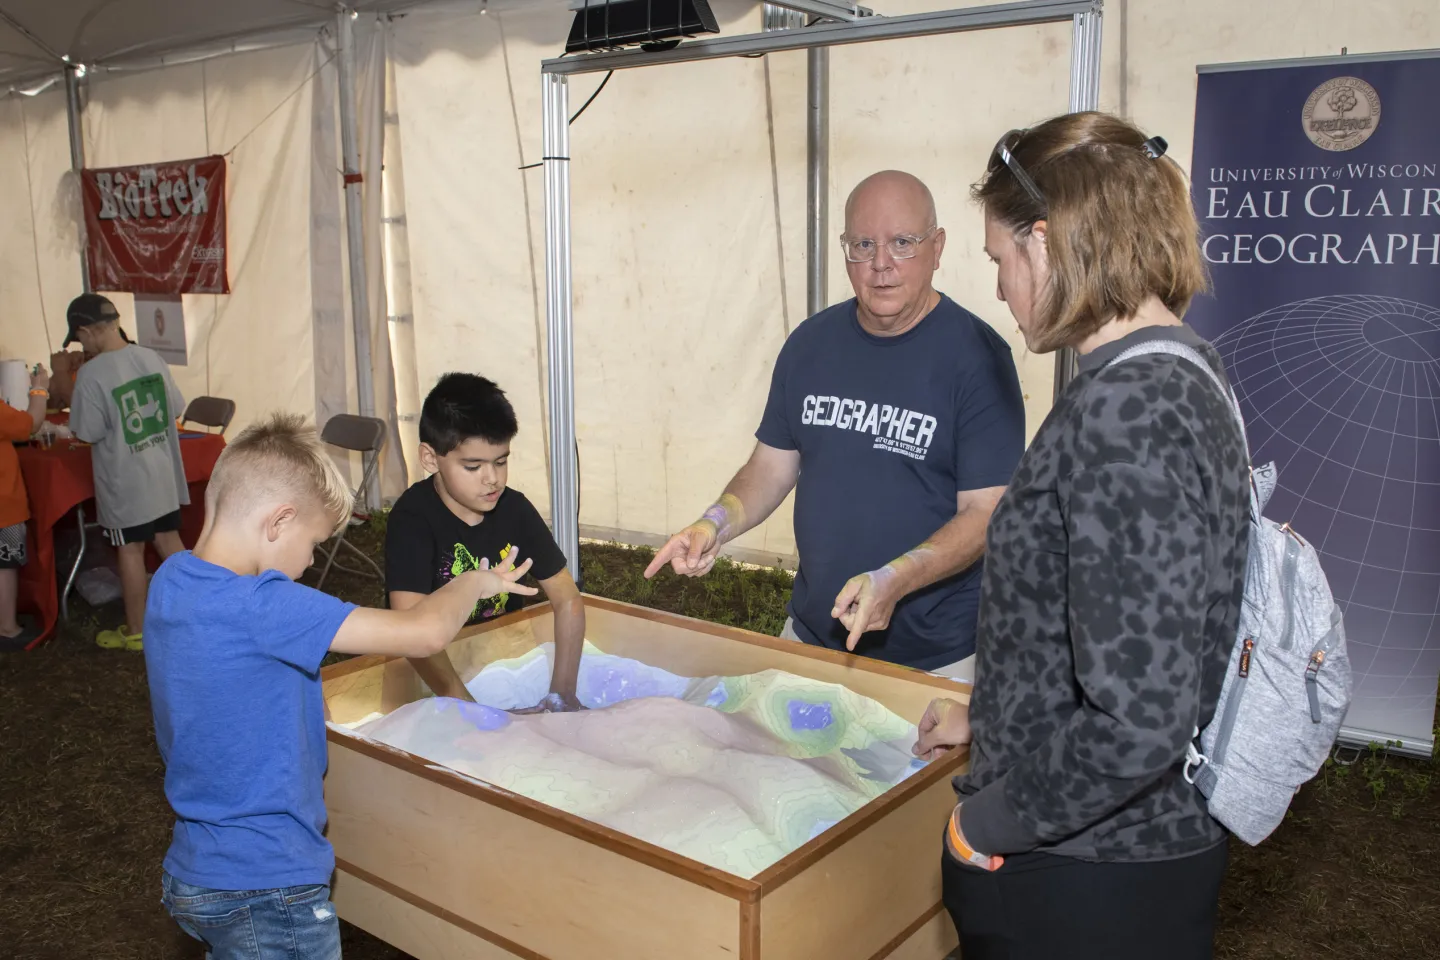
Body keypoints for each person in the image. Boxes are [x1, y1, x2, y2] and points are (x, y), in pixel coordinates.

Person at [912, 112, 1250, 960]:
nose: (999, 288)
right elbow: (1125, 630)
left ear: (1047, 242)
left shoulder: (1128, 413)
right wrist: (994, 718)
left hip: (1087, 873)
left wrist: (984, 824)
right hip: (1120, 858)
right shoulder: (1178, 370)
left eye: (999, 259)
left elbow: (1138, 719)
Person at [145, 412, 538, 960]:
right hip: (268, 884)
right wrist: (475, 580)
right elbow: (423, 633)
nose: (310, 562)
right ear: (279, 521)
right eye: (314, 543)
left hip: (198, 868)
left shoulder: (172, 581)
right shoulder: (264, 606)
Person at [645, 171, 1025, 679]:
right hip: (810, 638)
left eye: (902, 243)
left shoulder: (979, 358)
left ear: (937, 248)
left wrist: (897, 577)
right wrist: (714, 523)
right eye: (863, 245)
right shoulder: (810, 345)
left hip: (935, 661)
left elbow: (985, 513)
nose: (881, 264)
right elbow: (770, 466)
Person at [385, 373, 584, 711]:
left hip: (501, 663)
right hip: (429, 678)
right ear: (430, 458)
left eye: (501, 461)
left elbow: (567, 599)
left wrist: (561, 695)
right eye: (473, 466)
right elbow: (409, 627)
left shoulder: (516, 510)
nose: (492, 479)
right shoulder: (412, 518)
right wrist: (472, 711)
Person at [66, 293, 187, 651]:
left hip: (125, 482)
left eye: (80, 338)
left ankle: (136, 631)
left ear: (88, 330)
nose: (82, 346)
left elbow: (87, 431)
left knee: (131, 550)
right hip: (161, 473)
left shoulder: (91, 374)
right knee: (169, 542)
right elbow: (176, 406)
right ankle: (202, 611)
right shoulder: (149, 356)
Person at [0, 363, 50, 650]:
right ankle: (7, 628)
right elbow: (30, 425)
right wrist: (39, 389)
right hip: (3, 505)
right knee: (4, 564)